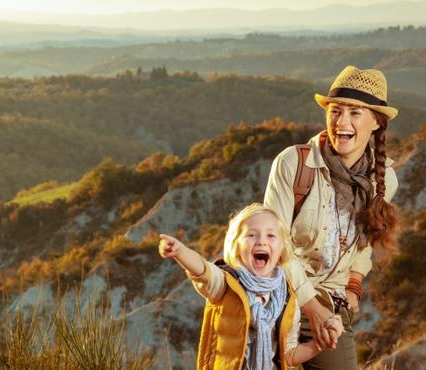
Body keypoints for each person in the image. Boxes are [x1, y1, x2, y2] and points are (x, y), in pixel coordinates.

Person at [263, 66, 400, 369]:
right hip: (279, 299)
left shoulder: (384, 180)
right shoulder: (294, 164)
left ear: (376, 122)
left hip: (331, 305)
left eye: (355, 113)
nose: (342, 122)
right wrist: (310, 306)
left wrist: (354, 285)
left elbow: (365, 242)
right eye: (336, 111)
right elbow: (274, 245)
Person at [158, 203, 323, 369]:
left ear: (281, 248)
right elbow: (203, 270)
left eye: (271, 236)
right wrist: (180, 252)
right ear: (236, 246)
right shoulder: (227, 283)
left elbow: (288, 356)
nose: (261, 242)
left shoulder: (287, 297)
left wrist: (319, 344)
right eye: (252, 235)